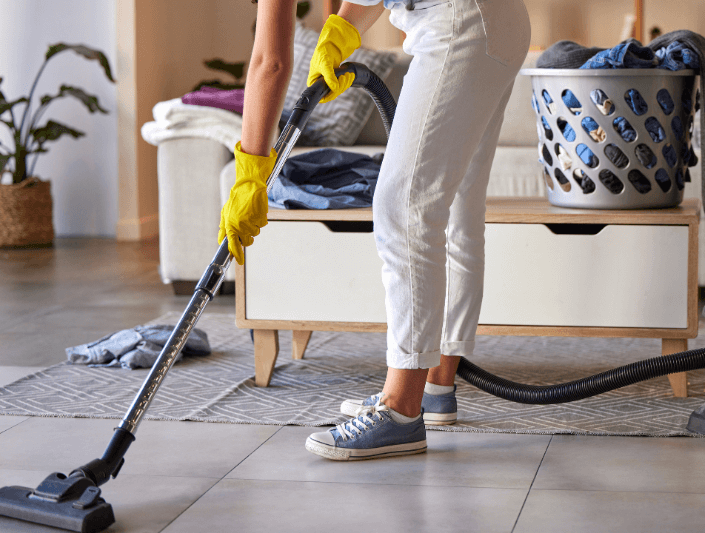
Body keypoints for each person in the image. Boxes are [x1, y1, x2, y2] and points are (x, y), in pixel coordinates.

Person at [220, 0, 530, 461]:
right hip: (499, 21)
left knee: (403, 206)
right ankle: (433, 388)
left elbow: (272, 60)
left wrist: (250, 171)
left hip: (459, 20)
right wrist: (342, 29)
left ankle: (400, 411)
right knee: (456, 209)